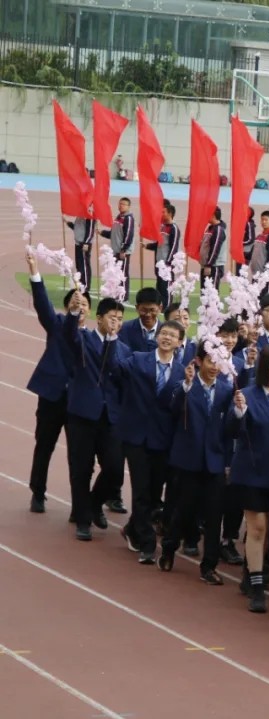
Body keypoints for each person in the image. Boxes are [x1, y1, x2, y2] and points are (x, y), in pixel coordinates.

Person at [108, 319, 186, 565]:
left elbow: (179, 408)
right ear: (157, 336)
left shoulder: (183, 371)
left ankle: (132, 528)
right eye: (163, 333)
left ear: (180, 342)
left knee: (153, 494)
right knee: (141, 490)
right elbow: (116, 370)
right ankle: (148, 544)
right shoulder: (138, 359)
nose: (166, 338)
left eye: (172, 335)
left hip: (162, 440)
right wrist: (111, 341)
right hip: (136, 436)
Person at [159, 341, 233, 585]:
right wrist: (186, 386)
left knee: (214, 516)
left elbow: (230, 429)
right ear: (199, 361)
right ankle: (169, 548)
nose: (214, 367)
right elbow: (174, 409)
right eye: (210, 361)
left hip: (214, 463)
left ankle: (209, 566)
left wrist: (240, 413)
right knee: (184, 510)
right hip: (189, 461)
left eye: (218, 362)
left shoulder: (226, 390)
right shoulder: (188, 387)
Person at [25, 252, 89, 514]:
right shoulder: (58, 325)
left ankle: (79, 506)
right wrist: (35, 272)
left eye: (85, 304)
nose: (81, 308)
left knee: (78, 455)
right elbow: (42, 305)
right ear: (68, 307)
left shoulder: (93, 337)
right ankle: (38, 492)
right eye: (76, 303)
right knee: (45, 445)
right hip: (52, 396)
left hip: (78, 402)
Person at [62, 295, 126, 541]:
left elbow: (117, 374)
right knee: (81, 469)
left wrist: (112, 341)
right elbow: (69, 334)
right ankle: (83, 520)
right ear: (99, 318)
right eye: (112, 318)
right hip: (82, 414)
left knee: (114, 468)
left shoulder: (121, 347)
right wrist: (75, 313)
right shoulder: (83, 339)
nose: (116, 323)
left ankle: (93, 503)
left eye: (120, 319)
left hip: (110, 417)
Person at [226, 345, 269, 613]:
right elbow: (232, 429)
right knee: (257, 527)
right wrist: (239, 412)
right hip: (251, 472)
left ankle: (251, 571)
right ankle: (258, 588)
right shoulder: (248, 395)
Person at [99, 197, 135, 294]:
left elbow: (128, 235)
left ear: (128, 206)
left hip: (123, 251)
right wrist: (101, 232)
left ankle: (124, 296)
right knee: (116, 273)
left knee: (122, 273)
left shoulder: (128, 218)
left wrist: (123, 249)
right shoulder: (118, 217)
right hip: (116, 250)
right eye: (120, 204)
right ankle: (117, 293)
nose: (121, 206)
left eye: (123, 204)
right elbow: (113, 234)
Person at [199, 207, 227, 289]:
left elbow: (215, 248)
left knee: (211, 293)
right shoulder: (210, 228)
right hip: (206, 265)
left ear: (213, 215)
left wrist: (209, 264)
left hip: (214, 266)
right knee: (204, 293)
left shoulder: (218, 230)